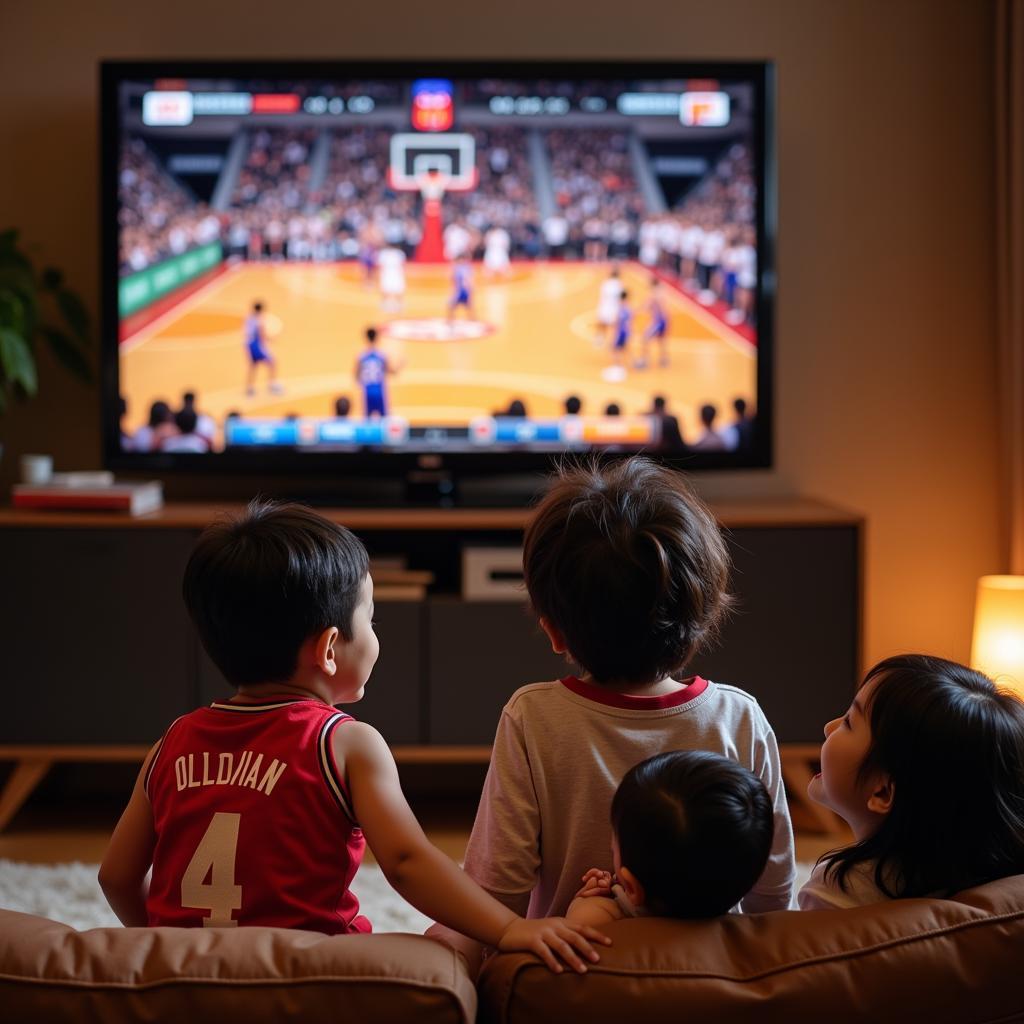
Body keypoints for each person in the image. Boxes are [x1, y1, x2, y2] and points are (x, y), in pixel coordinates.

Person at [98, 502, 609, 973]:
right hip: (311, 980)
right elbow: (407, 862)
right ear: (327, 649)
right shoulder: (344, 743)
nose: (374, 634)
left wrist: (164, 946)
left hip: (187, 977)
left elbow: (116, 878)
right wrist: (511, 927)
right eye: (370, 619)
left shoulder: (171, 742)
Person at [446, 458, 796, 931]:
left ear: (554, 631)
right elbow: (771, 894)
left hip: (578, 967)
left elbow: (496, 892)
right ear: (703, 618)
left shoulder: (533, 717)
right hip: (713, 968)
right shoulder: (739, 716)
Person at [798, 654, 1024, 910]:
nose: (829, 727)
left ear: (882, 792)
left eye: (849, 721)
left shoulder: (837, 892)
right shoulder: (994, 879)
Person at [566, 750, 774, 925]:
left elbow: (575, 931)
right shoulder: (740, 934)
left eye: (615, 837)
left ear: (631, 887)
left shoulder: (602, 918)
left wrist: (584, 901)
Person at [355, 327, 397, 419]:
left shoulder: (361, 356)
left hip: (367, 391)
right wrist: (400, 366)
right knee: (385, 420)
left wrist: (360, 382)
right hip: (379, 391)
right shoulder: (381, 355)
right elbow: (392, 371)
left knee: (367, 421)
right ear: (377, 338)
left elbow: (356, 376)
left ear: (366, 338)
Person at [244, 301, 283, 397]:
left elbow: (247, 332)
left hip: (248, 344)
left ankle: (250, 388)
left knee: (253, 365)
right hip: (257, 345)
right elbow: (262, 334)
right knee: (272, 362)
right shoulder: (260, 319)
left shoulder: (249, 318)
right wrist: (271, 340)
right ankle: (272, 385)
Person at [637, 277, 669, 369]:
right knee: (661, 340)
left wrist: (636, 311)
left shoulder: (653, 294)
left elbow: (646, 306)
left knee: (645, 338)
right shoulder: (662, 291)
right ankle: (664, 359)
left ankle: (644, 361)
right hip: (665, 320)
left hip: (657, 321)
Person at [447, 255, 475, 324]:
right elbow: (453, 279)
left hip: (461, 290)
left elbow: (467, 280)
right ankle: (471, 319)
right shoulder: (462, 268)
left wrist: (469, 288)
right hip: (462, 290)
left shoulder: (461, 268)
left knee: (452, 305)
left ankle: (451, 320)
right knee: (468, 305)